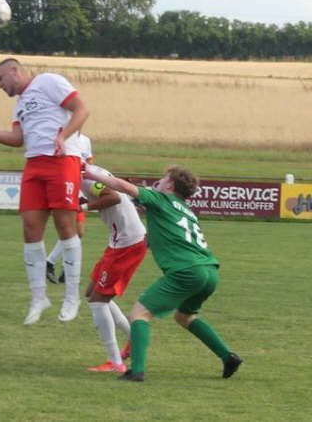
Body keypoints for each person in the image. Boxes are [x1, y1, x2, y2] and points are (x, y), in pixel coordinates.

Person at [84, 164, 243, 381]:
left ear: (170, 185)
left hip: (186, 271)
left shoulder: (161, 199)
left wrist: (91, 173)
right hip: (210, 271)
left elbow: (123, 187)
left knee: (139, 314)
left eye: (162, 179)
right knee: (185, 316)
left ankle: (136, 370)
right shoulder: (185, 210)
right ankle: (228, 357)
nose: (158, 181)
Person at [0, 58, 90, 325]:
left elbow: (81, 109)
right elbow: (17, 139)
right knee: (31, 230)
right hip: (34, 164)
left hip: (62, 160)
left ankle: (71, 297)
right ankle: (38, 297)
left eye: (0, 79)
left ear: (14, 71)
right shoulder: (19, 105)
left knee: (65, 226)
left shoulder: (48, 81)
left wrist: (62, 136)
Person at [78, 165, 147, 373]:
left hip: (127, 243)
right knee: (92, 294)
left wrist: (80, 208)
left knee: (98, 301)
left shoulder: (85, 176)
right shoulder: (88, 171)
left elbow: (114, 197)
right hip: (121, 241)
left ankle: (115, 362)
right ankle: (133, 340)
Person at [46, 132, 94, 285]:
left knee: (77, 232)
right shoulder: (59, 137)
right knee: (73, 231)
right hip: (67, 187)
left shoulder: (85, 140)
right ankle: (53, 264)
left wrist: (88, 190)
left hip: (79, 189)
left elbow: (89, 166)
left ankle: (60, 267)